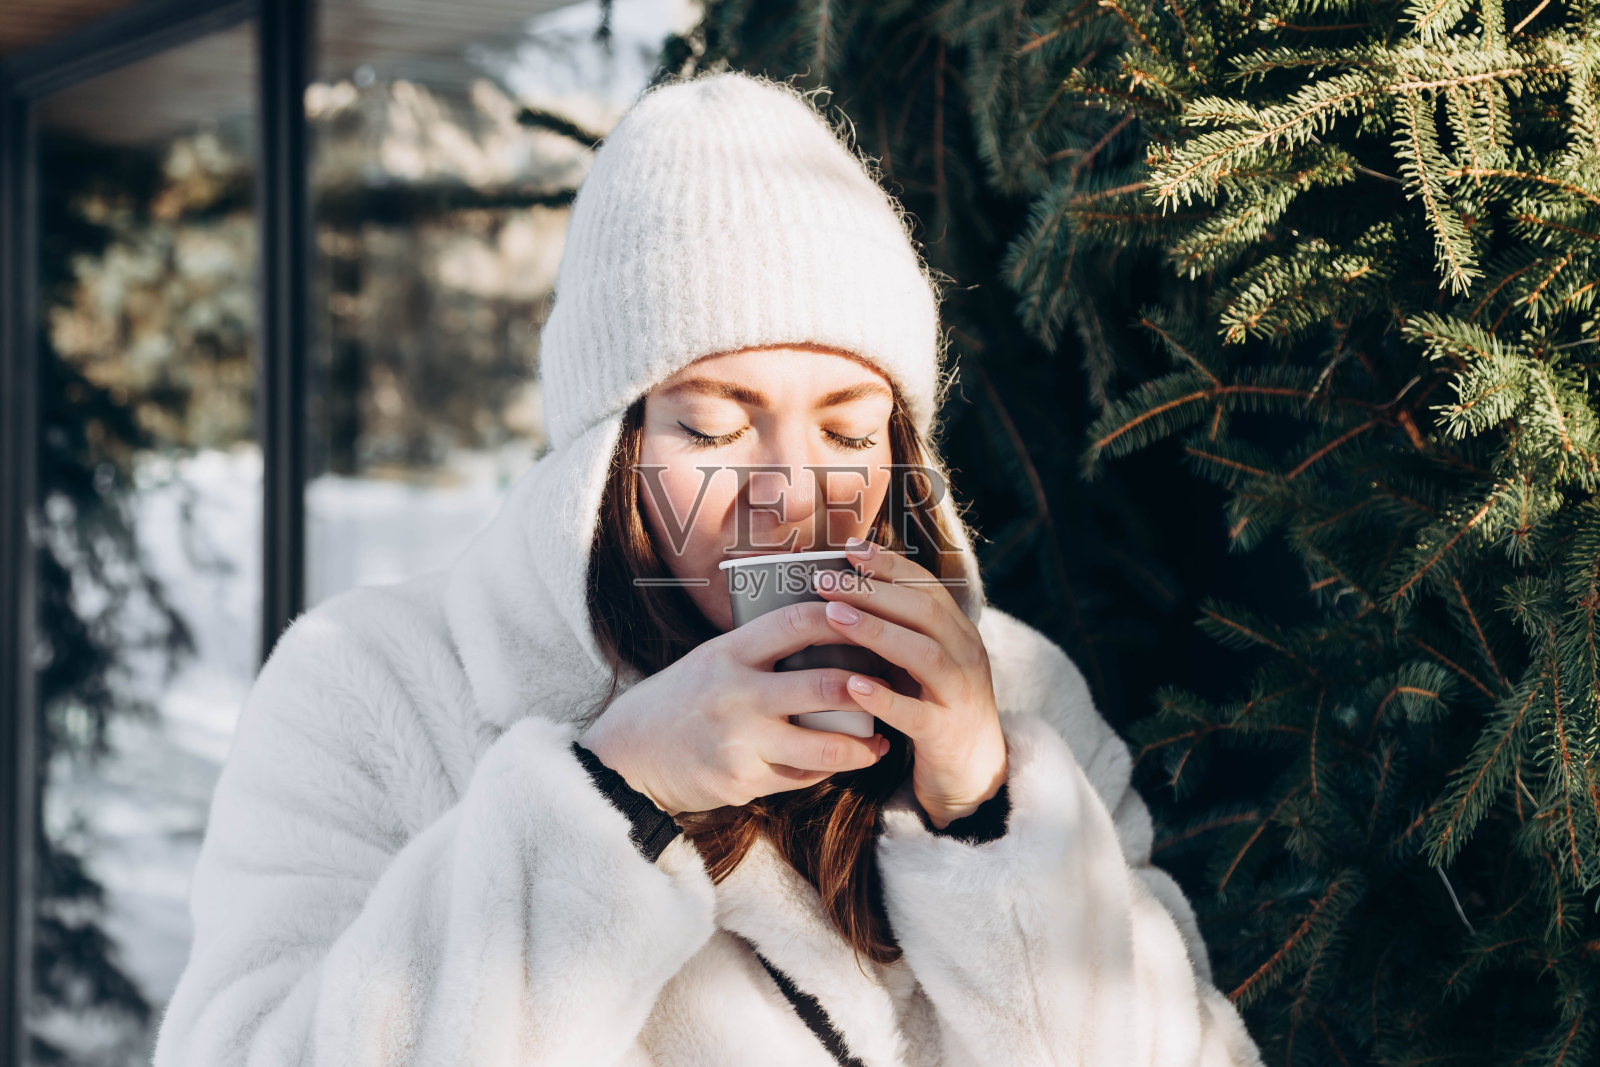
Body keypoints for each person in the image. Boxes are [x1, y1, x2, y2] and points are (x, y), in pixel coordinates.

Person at [151, 68, 1266, 1066]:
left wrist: (985, 821)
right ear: (610, 447)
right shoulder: (375, 687)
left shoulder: (1012, 702)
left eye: (845, 429)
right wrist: (613, 797)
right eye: (716, 428)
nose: (789, 491)